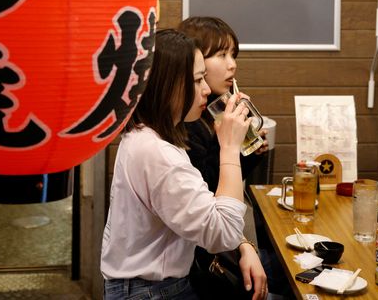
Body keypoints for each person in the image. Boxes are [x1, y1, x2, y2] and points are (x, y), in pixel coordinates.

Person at [101, 29, 268, 300]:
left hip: (149, 286)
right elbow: (222, 232)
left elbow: (203, 210)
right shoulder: (156, 153)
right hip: (152, 291)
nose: (205, 89)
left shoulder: (149, 136)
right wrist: (229, 148)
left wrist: (243, 243)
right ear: (166, 85)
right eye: (198, 79)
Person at [177, 16, 270, 299]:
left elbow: (227, 181)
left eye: (233, 55)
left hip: (221, 243)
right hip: (202, 258)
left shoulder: (211, 112)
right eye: (221, 54)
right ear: (195, 61)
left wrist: (249, 151)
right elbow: (207, 191)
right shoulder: (185, 123)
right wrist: (227, 142)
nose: (232, 64)